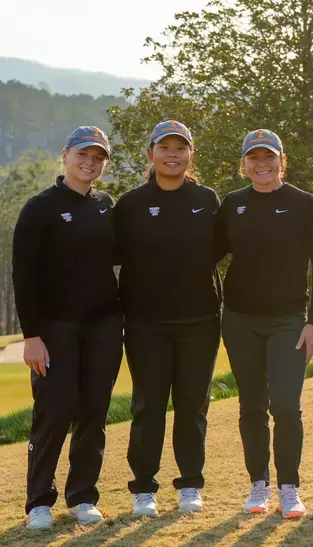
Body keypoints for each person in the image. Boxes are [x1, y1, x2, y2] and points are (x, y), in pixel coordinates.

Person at [215, 129, 313, 518]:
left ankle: (289, 487)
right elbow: (205, 256)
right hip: (239, 321)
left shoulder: (303, 204)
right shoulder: (233, 204)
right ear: (244, 164)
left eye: (269, 157)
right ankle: (258, 485)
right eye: (254, 158)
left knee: (285, 406)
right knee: (251, 406)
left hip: (287, 322)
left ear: (282, 161)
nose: (261, 164)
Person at [12, 127, 122, 529]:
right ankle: (39, 501)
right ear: (66, 155)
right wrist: (32, 337)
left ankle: (82, 496)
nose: (90, 162)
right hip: (55, 328)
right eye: (83, 154)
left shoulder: (105, 205)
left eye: (98, 157)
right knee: (54, 412)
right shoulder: (39, 207)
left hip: (104, 326)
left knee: (94, 411)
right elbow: (23, 276)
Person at [114, 120, 221, 517]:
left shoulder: (208, 199)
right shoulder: (131, 204)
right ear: (151, 154)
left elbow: (223, 247)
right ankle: (144, 488)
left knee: (193, 406)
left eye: (180, 147)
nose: (172, 154)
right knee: (149, 406)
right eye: (164, 147)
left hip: (200, 321)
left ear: (191, 154)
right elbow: (111, 253)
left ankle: (190, 484)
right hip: (145, 322)